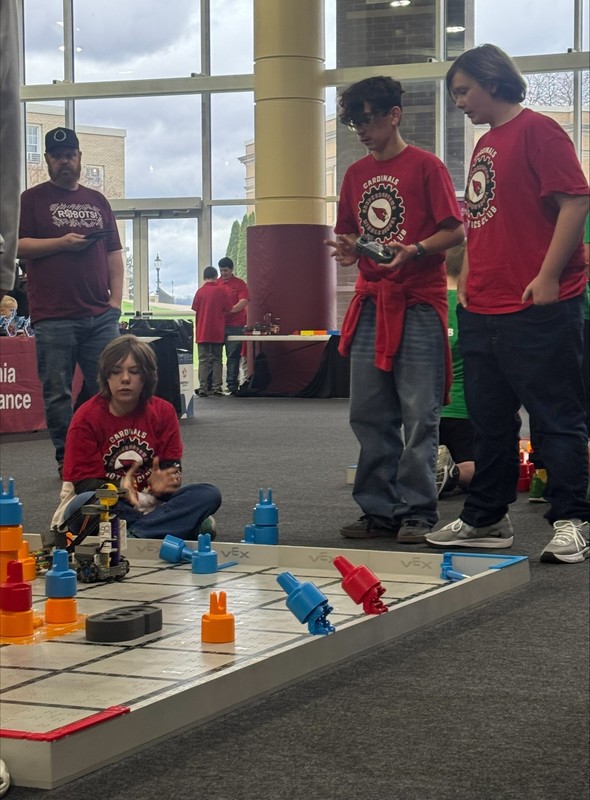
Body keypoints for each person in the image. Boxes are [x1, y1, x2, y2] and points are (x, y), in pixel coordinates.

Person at [425, 44, 590, 564]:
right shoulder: (485, 145)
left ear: (493, 81)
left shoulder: (539, 131)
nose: (460, 104)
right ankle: (486, 518)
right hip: (485, 308)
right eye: (456, 95)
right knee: (488, 420)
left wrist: (546, 275)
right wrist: (470, 275)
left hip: (538, 305)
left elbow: (577, 200)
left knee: (555, 418)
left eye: (464, 91)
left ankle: (574, 519)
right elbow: (480, 221)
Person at [325, 76, 464, 543]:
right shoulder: (354, 174)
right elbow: (350, 236)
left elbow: (455, 231)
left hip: (419, 303)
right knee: (368, 412)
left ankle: (419, 511)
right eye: (353, 122)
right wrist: (348, 251)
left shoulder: (427, 167)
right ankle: (379, 510)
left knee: (419, 413)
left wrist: (417, 249)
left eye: (367, 119)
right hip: (371, 302)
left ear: (394, 115)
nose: (361, 130)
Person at [18, 127, 123, 478]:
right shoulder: (30, 200)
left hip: (100, 316)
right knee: (58, 394)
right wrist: (62, 243)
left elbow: (114, 255)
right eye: (58, 156)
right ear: (48, 159)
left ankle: (110, 457)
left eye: (72, 155)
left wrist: (116, 302)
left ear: (80, 158)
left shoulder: (98, 201)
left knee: (108, 390)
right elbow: (17, 247)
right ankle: (69, 462)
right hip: (53, 316)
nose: (66, 161)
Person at [59, 335, 221, 540]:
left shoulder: (164, 411)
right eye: (116, 372)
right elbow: (84, 483)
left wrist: (165, 485)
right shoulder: (85, 417)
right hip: (113, 504)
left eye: (134, 372)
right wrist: (123, 491)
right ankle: (164, 528)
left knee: (208, 494)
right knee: (80, 505)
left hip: (153, 503)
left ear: (146, 377)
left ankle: (135, 535)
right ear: (106, 377)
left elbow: (171, 470)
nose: (125, 379)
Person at [437, 242, 476, 496]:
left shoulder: (429, 305)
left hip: (429, 410)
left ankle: (432, 469)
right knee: (487, 470)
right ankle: (453, 474)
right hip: (463, 410)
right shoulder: (470, 307)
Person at [192, 266, 232, 397]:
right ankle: (217, 387)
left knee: (203, 360)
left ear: (204, 277)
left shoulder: (200, 292)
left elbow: (195, 308)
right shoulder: (222, 291)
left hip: (202, 331)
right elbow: (228, 308)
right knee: (217, 359)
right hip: (217, 330)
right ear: (216, 277)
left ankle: (203, 388)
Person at [217, 256, 250, 394]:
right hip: (218, 325)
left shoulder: (240, 283)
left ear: (231, 270)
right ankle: (216, 385)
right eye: (221, 271)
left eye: (226, 270)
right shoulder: (216, 283)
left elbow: (244, 300)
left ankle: (232, 384)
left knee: (233, 356)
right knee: (216, 356)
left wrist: (230, 310)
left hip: (235, 325)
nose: (223, 273)